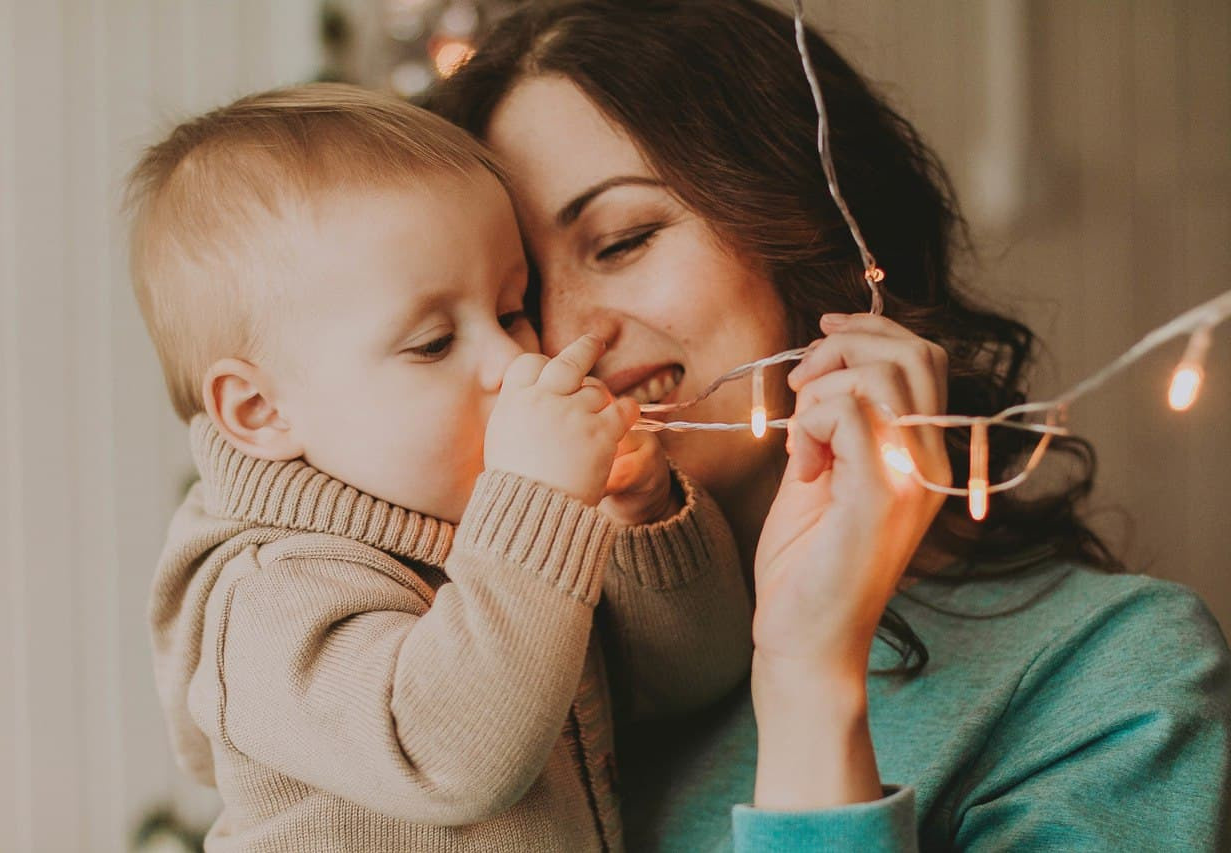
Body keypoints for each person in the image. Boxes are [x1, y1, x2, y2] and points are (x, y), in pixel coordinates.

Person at [430, 0, 1231, 848]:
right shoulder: (512, 688)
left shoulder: (1111, 674)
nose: (568, 334)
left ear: (805, 221)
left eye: (624, 239)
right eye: (515, 299)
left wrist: (810, 676)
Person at [128, 83, 751, 851]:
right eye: (432, 343)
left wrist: (641, 510)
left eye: (510, 309)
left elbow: (697, 675)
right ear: (260, 410)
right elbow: (448, 754)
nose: (511, 360)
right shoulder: (264, 596)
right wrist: (536, 509)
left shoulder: (499, 527)